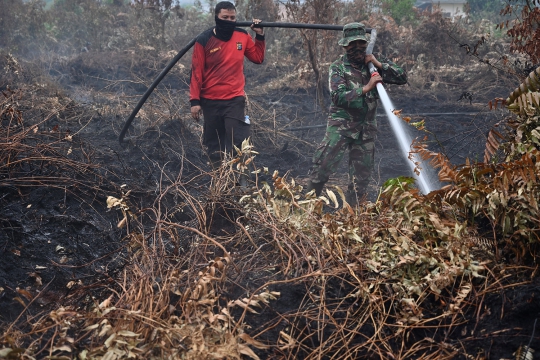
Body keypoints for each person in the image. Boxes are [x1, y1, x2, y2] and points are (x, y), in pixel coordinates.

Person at [306, 22, 407, 204]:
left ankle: (355, 216)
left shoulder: (373, 64)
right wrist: (366, 88)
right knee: (322, 168)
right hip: (341, 127)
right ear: (345, 46)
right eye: (352, 45)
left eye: (361, 44)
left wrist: (378, 64)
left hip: (366, 130)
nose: (357, 48)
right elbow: (338, 97)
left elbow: (402, 77)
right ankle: (305, 207)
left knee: (360, 180)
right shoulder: (338, 68)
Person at [190, 1, 265, 167]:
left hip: (234, 99)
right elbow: (196, 72)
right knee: (214, 145)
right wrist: (194, 101)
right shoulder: (204, 39)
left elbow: (258, 58)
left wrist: (259, 35)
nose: (229, 20)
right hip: (210, 100)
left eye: (232, 18)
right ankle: (219, 182)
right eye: (225, 17)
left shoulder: (242, 36)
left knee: (239, 142)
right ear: (217, 17)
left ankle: (240, 182)